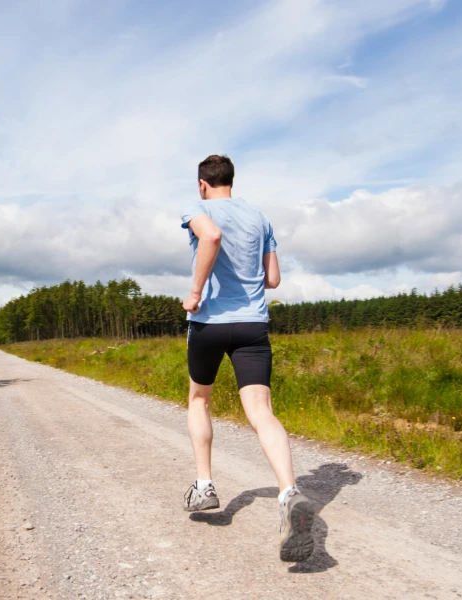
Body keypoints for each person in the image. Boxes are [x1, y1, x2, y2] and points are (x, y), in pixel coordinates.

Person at [179, 154, 314, 563]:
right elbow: (272, 279)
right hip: (253, 325)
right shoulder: (259, 218)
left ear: (203, 184)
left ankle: (204, 487)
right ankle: (289, 491)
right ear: (230, 181)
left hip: (209, 323)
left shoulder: (197, 209)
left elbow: (212, 237)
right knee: (261, 411)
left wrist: (196, 292)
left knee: (200, 399)